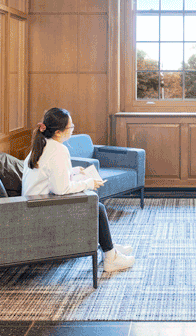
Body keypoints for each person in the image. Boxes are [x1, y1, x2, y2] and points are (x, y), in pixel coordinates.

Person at [23, 107, 135, 273]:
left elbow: (51, 177)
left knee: (92, 204)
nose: (73, 129)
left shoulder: (42, 145)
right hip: (44, 209)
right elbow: (61, 189)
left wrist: (75, 172)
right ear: (59, 132)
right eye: (71, 127)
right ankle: (110, 256)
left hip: (35, 204)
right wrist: (88, 183)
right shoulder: (59, 150)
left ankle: (108, 245)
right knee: (97, 208)